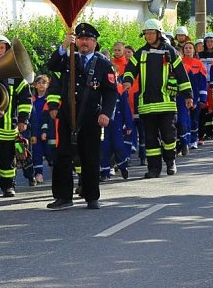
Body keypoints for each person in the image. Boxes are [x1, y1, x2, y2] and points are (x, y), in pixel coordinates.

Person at [46, 23, 117, 209]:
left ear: (95, 42)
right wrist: (62, 47)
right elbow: (51, 66)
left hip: (91, 117)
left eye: (88, 39)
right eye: (81, 39)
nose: (84, 43)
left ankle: (91, 196)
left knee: (90, 156)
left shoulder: (104, 64)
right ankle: (63, 197)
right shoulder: (69, 59)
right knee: (62, 156)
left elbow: (110, 92)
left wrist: (106, 113)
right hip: (68, 115)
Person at [122, 19, 193, 178]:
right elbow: (130, 70)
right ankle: (154, 169)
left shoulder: (170, 52)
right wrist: (127, 81)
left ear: (159, 34)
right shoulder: (141, 53)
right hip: (146, 104)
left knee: (169, 136)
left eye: (151, 33)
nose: (148, 36)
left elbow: (181, 74)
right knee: (151, 139)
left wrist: (188, 95)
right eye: (146, 33)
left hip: (167, 103)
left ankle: (170, 161)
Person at [0, 35, 32, 196]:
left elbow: (25, 99)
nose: (0, 51)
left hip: (8, 125)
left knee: (7, 158)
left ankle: (8, 186)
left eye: (3, 48)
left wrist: (23, 119)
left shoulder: (17, 76)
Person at [99, 66, 133, 181]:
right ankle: (104, 172)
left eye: (114, 73)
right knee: (104, 148)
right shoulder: (99, 88)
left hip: (117, 124)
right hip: (104, 125)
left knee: (118, 146)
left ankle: (123, 166)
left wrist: (128, 124)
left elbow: (126, 109)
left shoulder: (120, 89)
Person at [27, 74, 55, 185]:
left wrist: (46, 131)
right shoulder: (32, 99)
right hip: (35, 130)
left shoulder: (49, 99)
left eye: (44, 82)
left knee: (49, 152)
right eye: (39, 83)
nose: (41, 85)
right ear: (35, 85)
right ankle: (38, 174)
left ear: (48, 85)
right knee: (36, 152)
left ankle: (54, 171)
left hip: (48, 130)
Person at [180, 42, 207, 150]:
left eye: (190, 48)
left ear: (194, 50)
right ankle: (185, 140)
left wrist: (202, 98)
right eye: (186, 48)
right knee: (184, 120)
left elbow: (202, 82)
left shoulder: (198, 63)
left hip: (196, 96)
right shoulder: (179, 63)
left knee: (194, 120)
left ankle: (193, 140)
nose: (188, 50)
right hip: (182, 96)